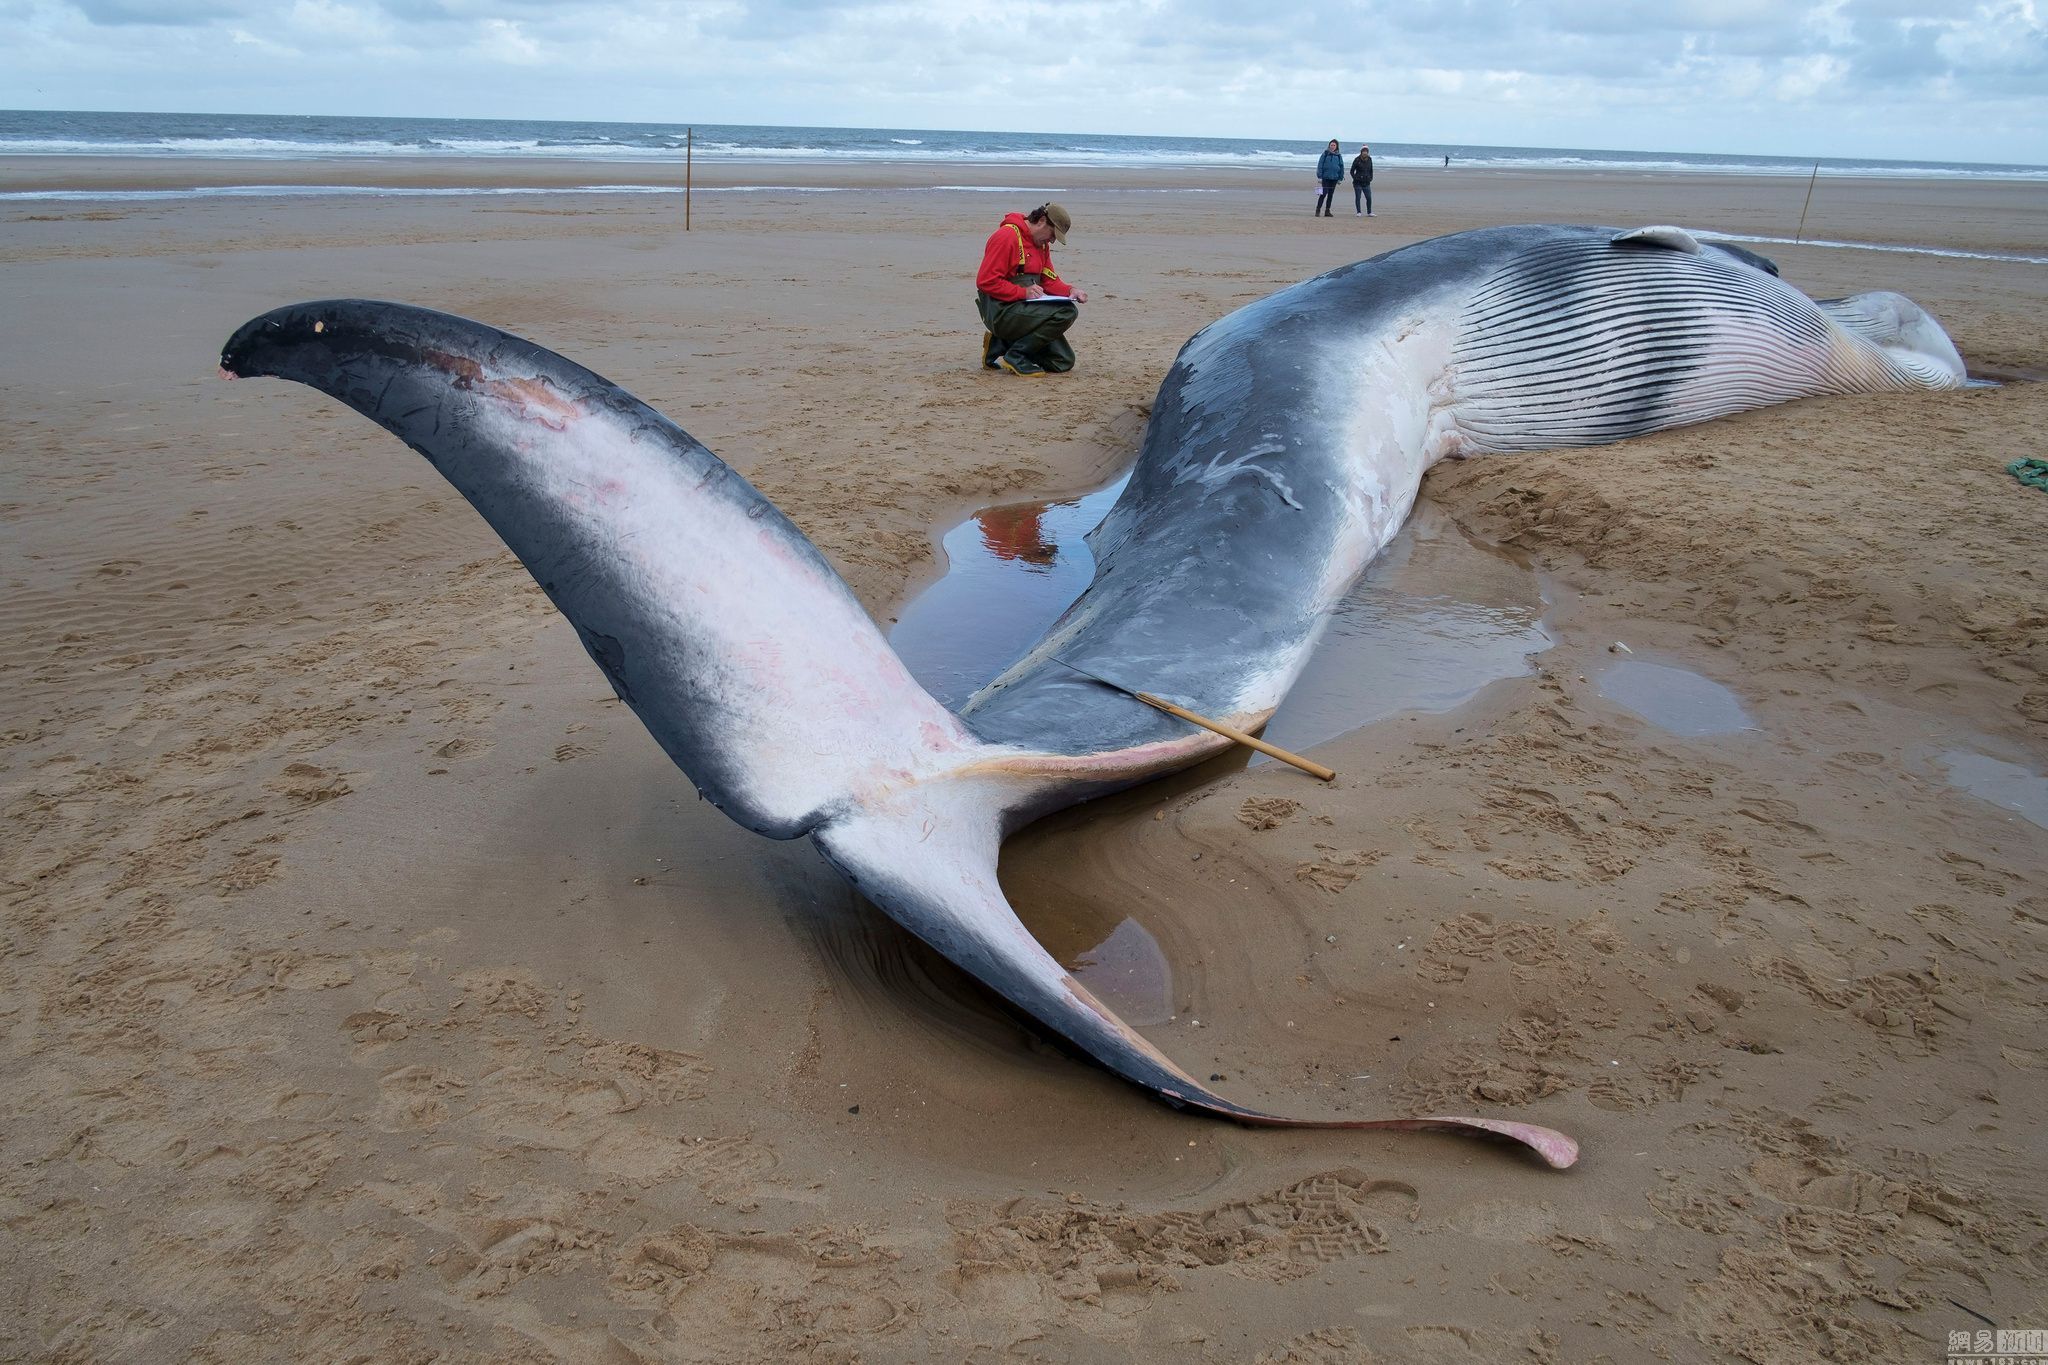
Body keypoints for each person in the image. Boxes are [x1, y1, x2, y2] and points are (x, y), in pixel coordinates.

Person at [975, 202, 1088, 377]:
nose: (1051, 241)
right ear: (1042, 221)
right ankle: (1016, 355)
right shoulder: (1007, 236)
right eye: (1052, 235)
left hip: (1024, 310)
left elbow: (1048, 280)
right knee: (1066, 312)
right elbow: (986, 281)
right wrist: (1023, 292)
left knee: (1063, 361)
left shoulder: (1041, 245)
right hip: (1000, 311)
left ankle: (1001, 344)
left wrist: (1070, 290)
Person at [1314, 139, 1344, 217]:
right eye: (1331, 145)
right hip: (1325, 177)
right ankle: (1318, 210)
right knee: (1323, 193)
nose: (1332, 146)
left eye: (1334, 145)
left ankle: (1327, 211)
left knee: (1331, 195)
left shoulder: (1339, 155)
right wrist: (1319, 176)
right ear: (1329, 146)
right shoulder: (1325, 153)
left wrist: (1340, 178)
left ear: (1336, 146)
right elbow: (1320, 165)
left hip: (1334, 178)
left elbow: (1341, 167)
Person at [1350, 145, 1374, 216]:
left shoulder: (1370, 159)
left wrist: (1371, 178)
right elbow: (1351, 171)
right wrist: (1355, 178)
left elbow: (1371, 170)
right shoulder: (1357, 159)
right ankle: (1359, 212)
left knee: (1369, 197)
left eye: (1366, 151)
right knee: (1358, 197)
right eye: (1363, 151)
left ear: (1367, 152)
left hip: (1366, 182)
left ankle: (1369, 212)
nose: (1365, 153)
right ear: (1361, 152)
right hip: (1357, 183)